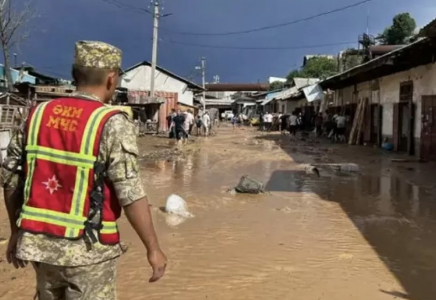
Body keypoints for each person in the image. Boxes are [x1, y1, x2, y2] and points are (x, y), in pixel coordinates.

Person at [1, 41, 167, 300]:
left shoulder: (35, 114)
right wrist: (153, 248)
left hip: (38, 246)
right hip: (90, 252)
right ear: (111, 79)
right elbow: (130, 193)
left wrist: (15, 233)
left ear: (74, 74)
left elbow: (11, 180)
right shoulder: (111, 123)